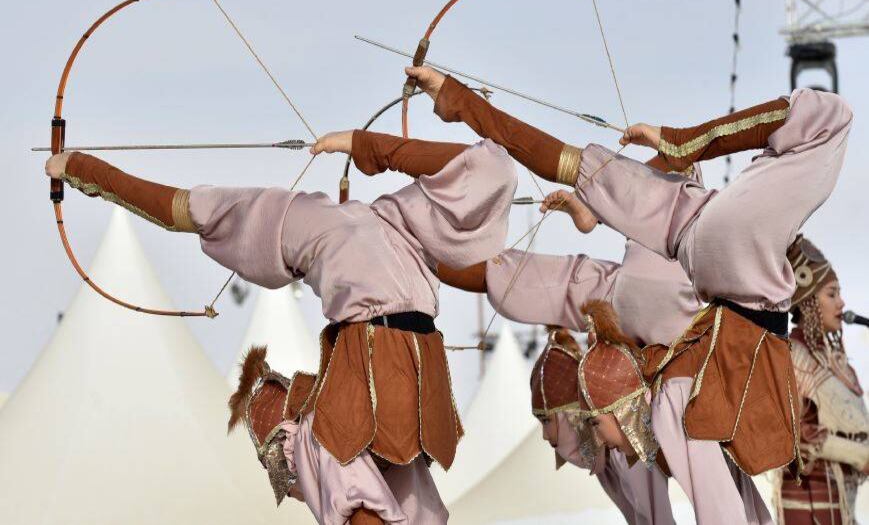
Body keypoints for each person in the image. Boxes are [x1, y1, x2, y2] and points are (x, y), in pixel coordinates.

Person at [405, 65, 851, 523]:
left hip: (708, 312)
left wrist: (459, 102)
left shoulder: (653, 233)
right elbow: (816, 117)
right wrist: (681, 140)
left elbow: (539, 151)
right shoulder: (673, 231)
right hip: (717, 312)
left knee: (691, 428)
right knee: (693, 428)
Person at [45, 126, 518, 525]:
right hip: (423, 370)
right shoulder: (400, 221)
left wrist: (81, 169)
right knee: (401, 488)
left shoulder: (298, 218)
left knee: (332, 460)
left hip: (371, 359)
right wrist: (367, 145)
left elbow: (181, 209)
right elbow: (488, 172)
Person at [530, 326, 673, 525]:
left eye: (546, 420)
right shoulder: (606, 460)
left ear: (570, 417)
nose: (545, 435)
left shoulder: (626, 448)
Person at [773, 235, 869, 524]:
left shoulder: (836, 361)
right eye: (831, 294)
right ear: (810, 302)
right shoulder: (793, 355)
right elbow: (797, 432)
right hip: (808, 505)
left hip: (840, 502)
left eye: (839, 293)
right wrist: (860, 455)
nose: (841, 303)